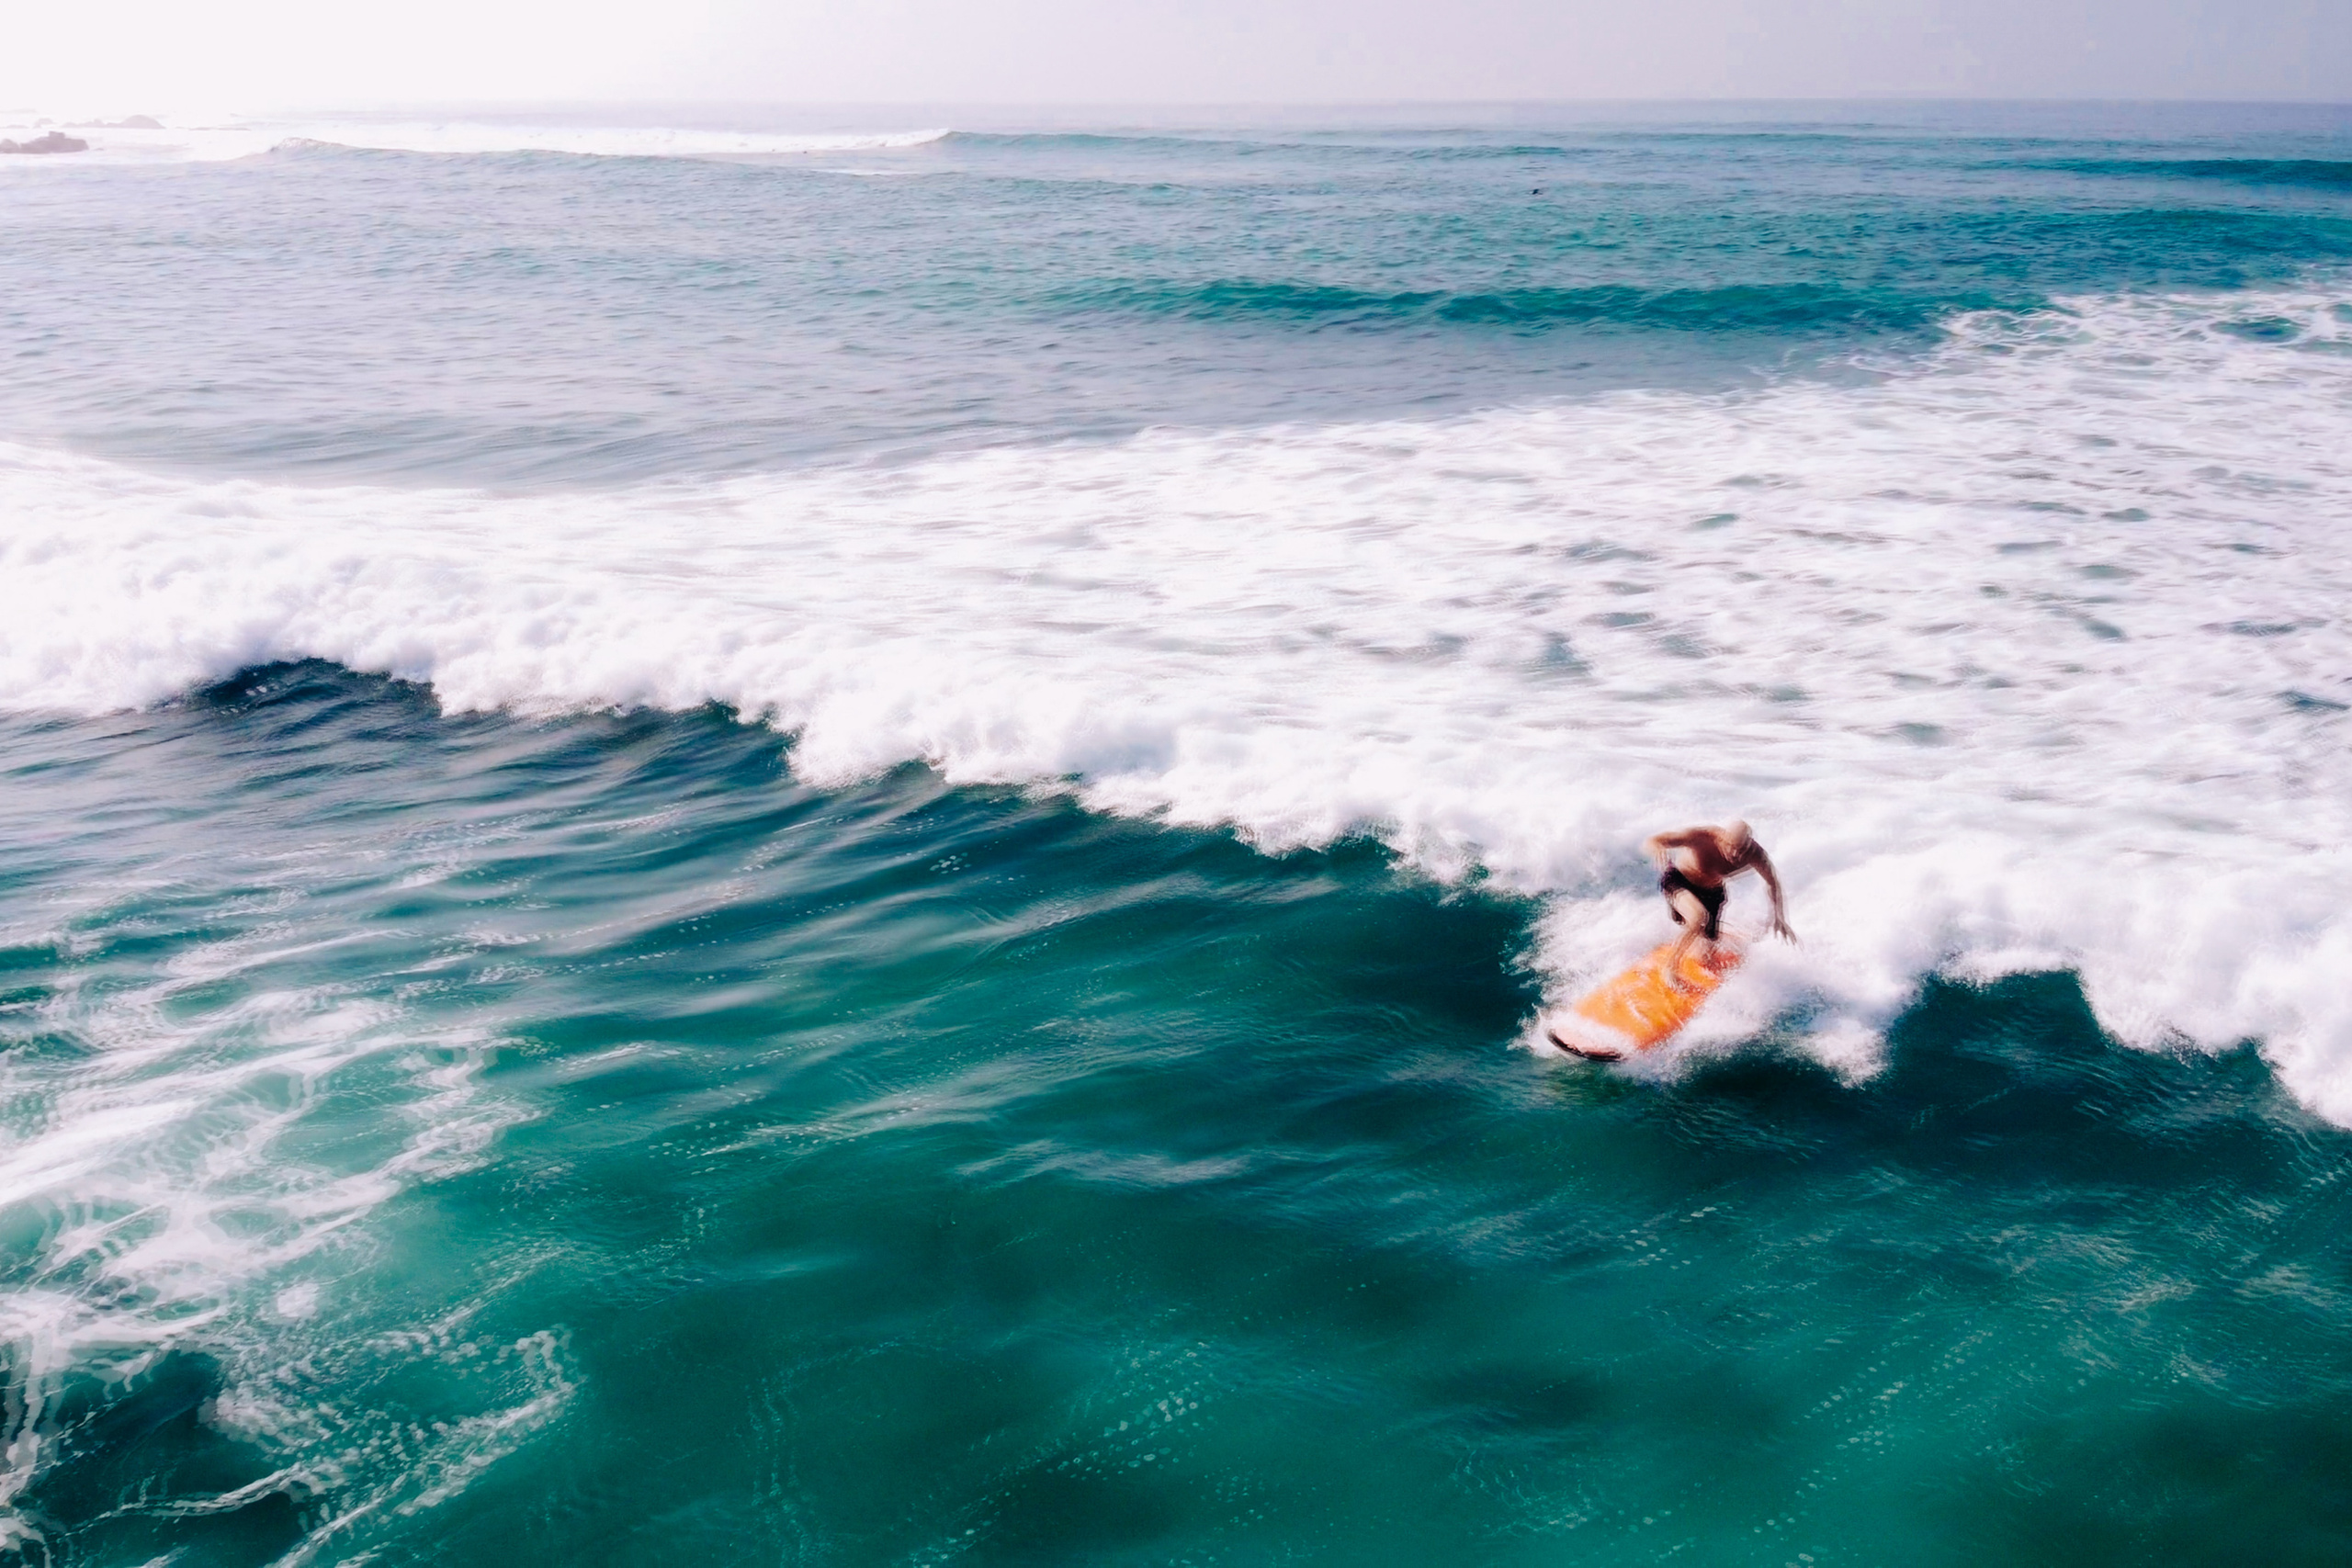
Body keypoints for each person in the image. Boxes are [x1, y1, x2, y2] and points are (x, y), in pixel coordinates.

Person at [1643, 820, 1794, 979]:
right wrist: (1658, 849)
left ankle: (1700, 934)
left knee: (1704, 958)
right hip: (1680, 882)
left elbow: (1773, 883)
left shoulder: (1755, 854)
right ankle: (1670, 967)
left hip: (1712, 893)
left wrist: (1779, 917)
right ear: (1722, 839)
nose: (1736, 854)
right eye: (1731, 846)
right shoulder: (1702, 837)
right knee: (1698, 918)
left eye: (1742, 849)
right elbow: (1652, 841)